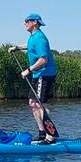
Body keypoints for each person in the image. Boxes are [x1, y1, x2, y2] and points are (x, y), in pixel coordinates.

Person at [8, 13, 58, 143]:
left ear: (34, 22)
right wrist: (17, 48)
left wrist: (28, 70)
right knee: (32, 104)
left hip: (45, 74)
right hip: (38, 75)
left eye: (26, 21)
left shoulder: (40, 38)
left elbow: (44, 59)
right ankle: (42, 133)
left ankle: (50, 136)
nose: (24, 23)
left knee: (40, 104)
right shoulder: (33, 37)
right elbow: (29, 45)